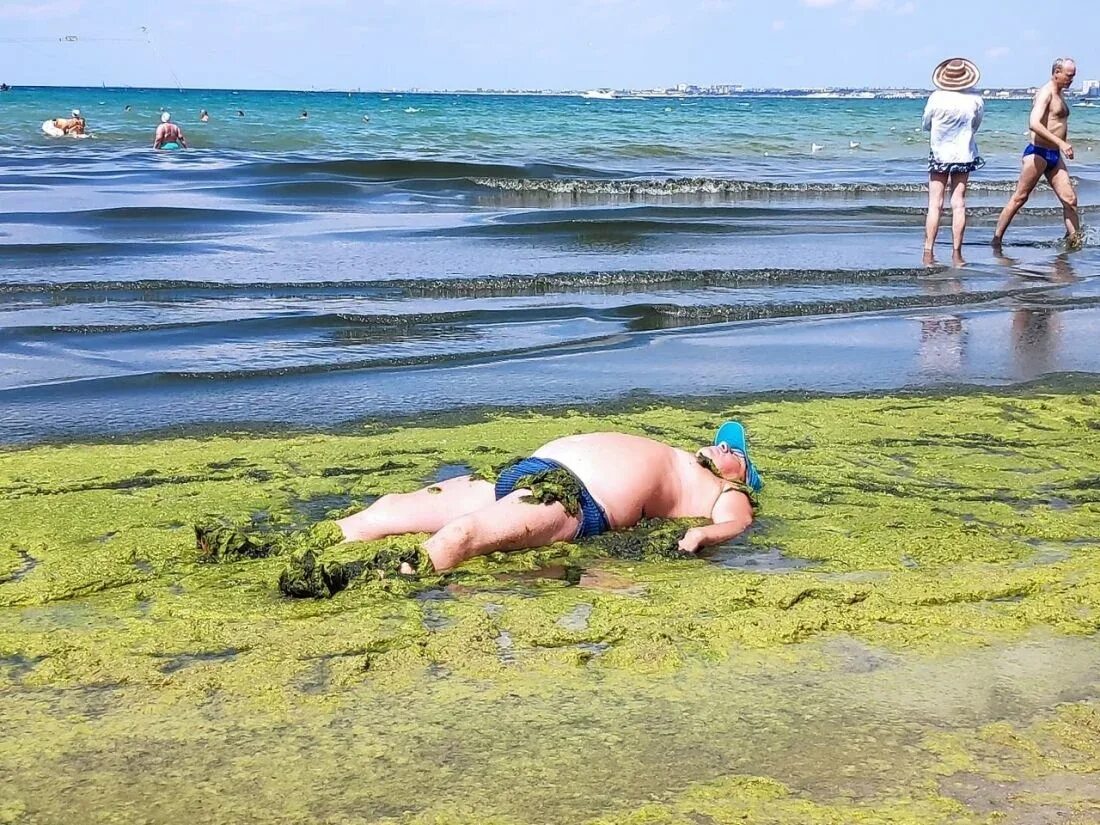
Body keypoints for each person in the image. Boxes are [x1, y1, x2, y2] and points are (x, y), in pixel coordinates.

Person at [334, 421, 763, 572]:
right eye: (724, 442)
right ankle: (287, 551)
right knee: (390, 509)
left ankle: (376, 586)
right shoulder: (677, 456)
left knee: (459, 537)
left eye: (736, 453)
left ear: (743, 478)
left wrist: (701, 538)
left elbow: (735, 523)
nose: (724, 447)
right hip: (531, 472)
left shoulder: (725, 491)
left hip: (575, 501)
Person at [993, 58, 1080, 246]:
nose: (1071, 80)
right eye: (1068, 75)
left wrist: (1060, 145)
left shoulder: (1060, 93)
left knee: (1070, 200)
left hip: (1054, 156)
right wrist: (1062, 143)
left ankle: (1074, 242)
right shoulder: (1045, 93)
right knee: (1020, 198)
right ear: (1057, 72)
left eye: (1073, 76)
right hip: (1037, 153)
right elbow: (1033, 124)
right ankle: (997, 239)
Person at [922, 58, 984, 260]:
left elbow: (926, 124)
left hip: (939, 152)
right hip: (964, 153)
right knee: (958, 202)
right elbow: (975, 125)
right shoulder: (975, 99)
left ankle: (929, 248)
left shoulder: (936, 98)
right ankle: (957, 250)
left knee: (935, 203)